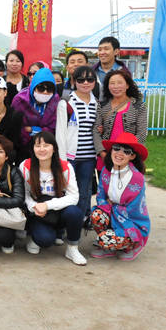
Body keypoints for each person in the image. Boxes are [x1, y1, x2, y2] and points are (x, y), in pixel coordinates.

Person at [19, 131, 86, 265]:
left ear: (54, 148)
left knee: (75, 213)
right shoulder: (25, 166)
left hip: (58, 210)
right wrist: (34, 207)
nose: (42, 149)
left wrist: (48, 205)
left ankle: (72, 248)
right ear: (33, 148)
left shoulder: (65, 167)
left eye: (46, 145)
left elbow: (74, 196)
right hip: (38, 212)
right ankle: (35, 237)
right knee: (45, 240)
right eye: (38, 145)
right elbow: (24, 194)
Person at [90, 132, 150, 261]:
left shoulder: (137, 178)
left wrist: (113, 205)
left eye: (126, 151)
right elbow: (100, 196)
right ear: (111, 150)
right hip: (112, 213)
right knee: (96, 215)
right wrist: (111, 204)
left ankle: (133, 245)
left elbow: (134, 208)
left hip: (131, 222)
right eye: (116, 148)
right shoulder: (106, 171)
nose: (119, 153)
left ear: (132, 156)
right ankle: (110, 246)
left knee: (103, 239)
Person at [56, 65, 99, 221]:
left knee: (84, 191)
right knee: (67, 191)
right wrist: (62, 160)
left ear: (95, 82)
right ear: (74, 81)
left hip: (89, 157)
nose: (85, 83)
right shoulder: (66, 103)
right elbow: (60, 133)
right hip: (70, 157)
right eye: (81, 79)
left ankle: (81, 221)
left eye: (90, 79)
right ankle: (64, 224)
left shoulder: (97, 103)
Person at [93, 70, 148, 165]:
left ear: (127, 85)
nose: (116, 86)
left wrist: (126, 155)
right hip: (106, 156)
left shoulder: (138, 106)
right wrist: (102, 153)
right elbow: (96, 131)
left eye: (119, 83)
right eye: (112, 83)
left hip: (129, 157)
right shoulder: (102, 106)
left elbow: (141, 134)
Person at [11, 68, 61, 150]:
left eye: (49, 89)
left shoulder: (55, 100)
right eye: (41, 88)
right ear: (33, 86)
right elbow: (16, 127)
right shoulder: (20, 100)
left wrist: (33, 129)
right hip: (22, 146)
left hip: (46, 145)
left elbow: (54, 127)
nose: (45, 92)